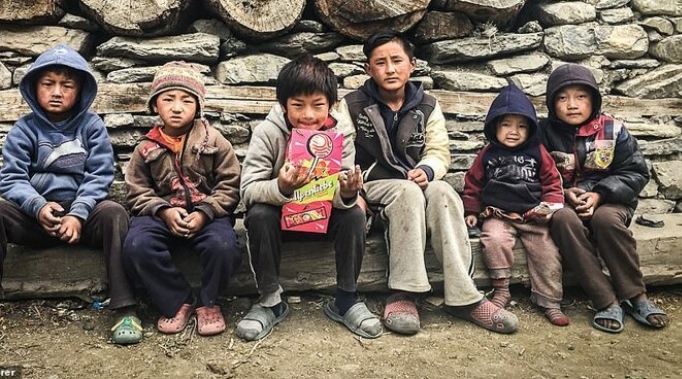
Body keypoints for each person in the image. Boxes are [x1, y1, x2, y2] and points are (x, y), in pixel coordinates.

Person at [0, 44, 141, 346]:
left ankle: (125, 307)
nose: (57, 92)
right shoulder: (24, 130)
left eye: (67, 85)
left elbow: (100, 175)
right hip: (36, 218)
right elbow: (11, 178)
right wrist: (37, 206)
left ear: (81, 90)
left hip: (83, 219)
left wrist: (78, 212)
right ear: (35, 88)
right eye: (48, 84)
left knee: (115, 214)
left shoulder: (92, 126)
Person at [337, 32, 518, 335]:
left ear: (412, 65)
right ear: (369, 70)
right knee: (408, 191)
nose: (390, 69)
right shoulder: (352, 105)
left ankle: (464, 295)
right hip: (373, 185)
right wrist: (352, 189)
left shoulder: (427, 106)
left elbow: (438, 151)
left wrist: (428, 169)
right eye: (380, 63)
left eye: (397, 61)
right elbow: (341, 150)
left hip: (413, 183)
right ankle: (405, 292)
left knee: (445, 191)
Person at [235, 55, 382, 341]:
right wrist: (282, 186)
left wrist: (348, 193)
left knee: (354, 214)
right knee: (258, 215)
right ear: (282, 105)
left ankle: (346, 300)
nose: (308, 115)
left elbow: (343, 196)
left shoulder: (340, 136)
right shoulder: (268, 132)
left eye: (318, 105)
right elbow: (249, 190)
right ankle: (270, 302)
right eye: (297, 105)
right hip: (280, 223)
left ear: (331, 105)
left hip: (323, 221)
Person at [540, 63, 669, 333]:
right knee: (562, 220)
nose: (572, 104)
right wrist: (563, 193)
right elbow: (532, 174)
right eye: (562, 98)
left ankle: (636, 296)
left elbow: (635, 172)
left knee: (606, 221)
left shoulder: (613, 130)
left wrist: (600, 194)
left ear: (594, 100)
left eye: (581, 96)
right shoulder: (543, 133)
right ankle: (606, 300)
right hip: (563, 202)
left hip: (610, 201)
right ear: (552, 104)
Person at [122, 62, 242, 337]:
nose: (177, 107)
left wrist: (204, 212)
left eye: (186, 100)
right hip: (161, 217)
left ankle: (208, 302)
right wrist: (163, 211)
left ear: (198, 107)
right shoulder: (146, 147)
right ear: (155, 106)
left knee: (223, 246)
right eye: (168, 99)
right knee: (137, 246)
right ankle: (178, 300)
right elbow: (136, 190)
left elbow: (230, 184)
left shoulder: (214, 140)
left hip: (208, 215)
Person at [462, 84, 569, 326]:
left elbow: (553, 182)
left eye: (522, 126)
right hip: (498, 214)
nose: (514, 131)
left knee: (546, 251)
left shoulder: (538, 152)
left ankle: (550, 301)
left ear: (531, 129)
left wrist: (549, 207)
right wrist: (471, 210)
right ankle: (501, 289)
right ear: (495, 127)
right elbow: (473, 183)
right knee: (494, 240)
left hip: (532, 215)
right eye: (506, 124)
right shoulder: (487, 154)